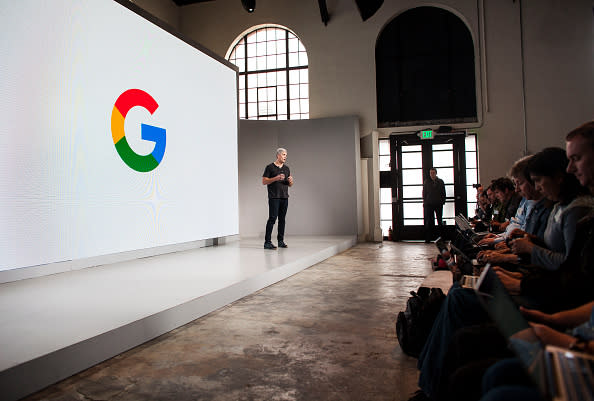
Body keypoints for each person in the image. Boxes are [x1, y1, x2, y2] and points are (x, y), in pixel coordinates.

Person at [262, 148, 294, 249]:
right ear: (278, 155)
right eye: (284, 155)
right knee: (272, 219)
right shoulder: (270, 167)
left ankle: (280, 241)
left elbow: (290, 185)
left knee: (282, 220)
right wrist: (276, 178)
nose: (285, 157)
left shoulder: (287, 168)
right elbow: (264, 181)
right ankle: (267, 242)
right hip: (274, 197)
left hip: (284, 197)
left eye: (286, 155)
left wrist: (290, 181)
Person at [423, 167, 446, 242]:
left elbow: (443, 193)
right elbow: (424, 193)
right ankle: (428, 238)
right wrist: (425, 202)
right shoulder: (426, 182)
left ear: (436, 173)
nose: (432, 174)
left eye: (433, 173)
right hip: (429, 204)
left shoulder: (440, 181)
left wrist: (443, 201)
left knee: (439, 221)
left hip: (438, 204)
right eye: (430, 173)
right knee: (429, 221)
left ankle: (441, 238)